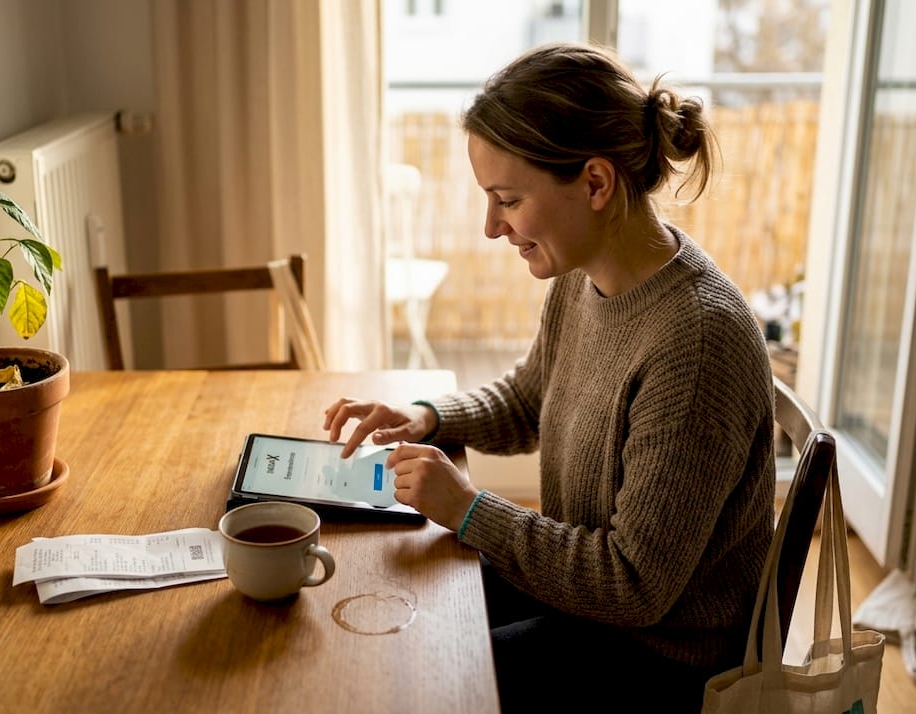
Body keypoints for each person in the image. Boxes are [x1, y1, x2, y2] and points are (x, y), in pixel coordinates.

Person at [324, 42, 774, 712]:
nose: (489, 227)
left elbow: (634, 585)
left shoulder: (696, 344)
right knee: (388, 610)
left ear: (595, 183)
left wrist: (471, 510)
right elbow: (530, 399)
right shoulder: (587, 275)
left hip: (655, 659)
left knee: (414, 678)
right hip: (590, 606)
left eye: (507, 198)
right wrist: (427, 417)